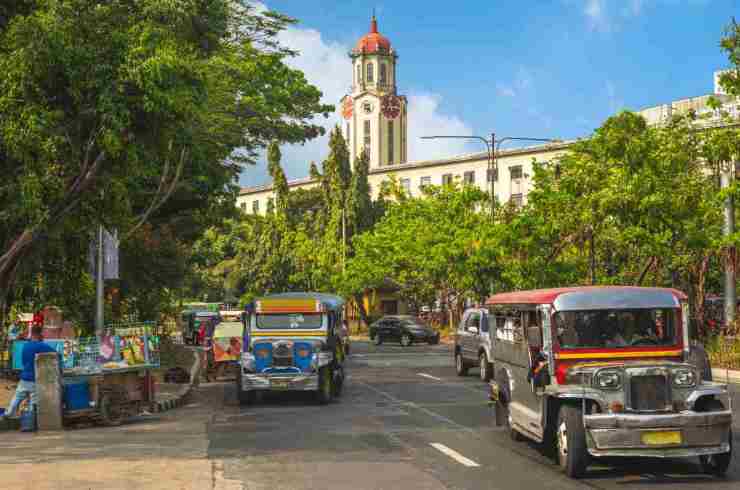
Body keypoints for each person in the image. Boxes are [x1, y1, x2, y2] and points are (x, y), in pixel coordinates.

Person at [5, 325, 58, 418]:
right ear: (40, 334)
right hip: (34, 378)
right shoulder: (41, 345)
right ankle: (30, 420)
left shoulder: (26, 345)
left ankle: (8, 414)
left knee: (17, 397)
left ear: (32, 334)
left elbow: (24, 361)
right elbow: (57, 354)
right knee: (33, 402)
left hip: (24, 377)